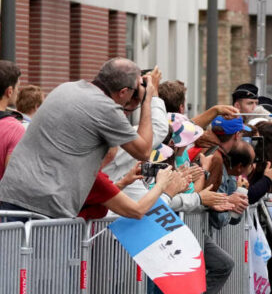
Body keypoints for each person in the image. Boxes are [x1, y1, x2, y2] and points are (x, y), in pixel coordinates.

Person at [0, 59, 159, 218]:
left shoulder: (66, 88)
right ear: (124, 92)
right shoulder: (105, 109)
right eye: (133, 91)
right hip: (46, 207)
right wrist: (147, 101)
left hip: (11, 195)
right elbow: (144, 151)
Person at [0, 61, 23, 181]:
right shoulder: (15, 129)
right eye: (18, 87)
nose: (18, 91)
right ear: (9, 91)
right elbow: (14, 179)